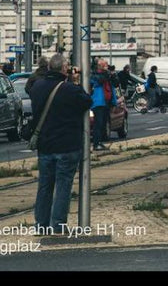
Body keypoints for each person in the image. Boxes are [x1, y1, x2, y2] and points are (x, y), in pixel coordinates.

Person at [29, 53, 93, 234]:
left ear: (49, 68)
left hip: (45, 145)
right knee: (63, 186)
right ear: (65, 69)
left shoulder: (37, 87)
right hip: (67, 145)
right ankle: (57, 224)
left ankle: (40, 224)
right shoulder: (70, 89)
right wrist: (75, 81)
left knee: (45, 186)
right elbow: (87, 100)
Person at [91, 59, 117, 148]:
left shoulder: (107, 75)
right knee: (98, 123)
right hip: (98, 102)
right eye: (105, 64)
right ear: (100, 65)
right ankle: (96, 143)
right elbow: (98, 81)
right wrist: (106, 74)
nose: (107, 66)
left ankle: (100, 141)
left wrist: (113, 75)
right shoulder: (94, 75)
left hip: (106, 102)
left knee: (103, 123)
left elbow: (115, 84)